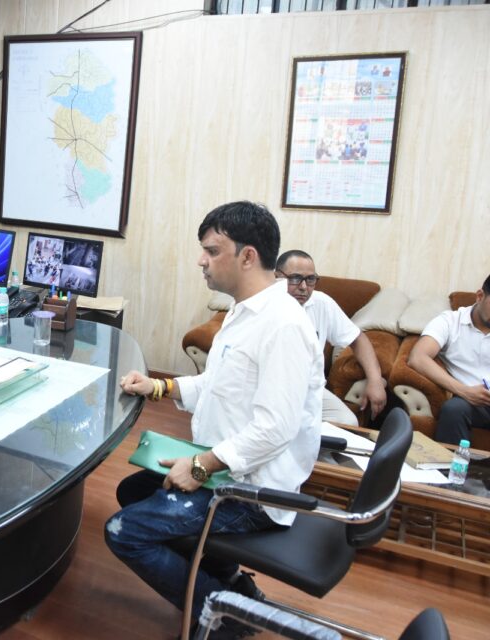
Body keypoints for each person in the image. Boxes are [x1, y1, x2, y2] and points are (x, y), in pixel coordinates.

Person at [104, 201, 323, 639]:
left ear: (247, 256)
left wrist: (201, 465)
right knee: (132, 490)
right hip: (227, 468)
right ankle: (230, 582)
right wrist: (159, 387)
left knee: (124, 532)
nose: (201, 261)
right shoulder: (243, 311)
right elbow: (217, 384)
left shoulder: (283, 326)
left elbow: (275, 429)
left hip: (250, 492)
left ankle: (226, 617)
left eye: (212, 250)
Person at [275, 249, 388, 426]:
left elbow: (358, 340)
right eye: (295, 278)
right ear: (277, 277)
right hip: (272, 389)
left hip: (309, 390)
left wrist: (375, 380)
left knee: (347, 423)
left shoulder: (321, 303)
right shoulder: (264, 305)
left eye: (310, 279)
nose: (303, 287)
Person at [408, 275, 490, 444]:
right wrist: (464, 391)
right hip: (470, 402)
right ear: (480, 296)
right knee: (454, 409)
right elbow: (418, 357)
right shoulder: (450, 322)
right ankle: (449, 462)